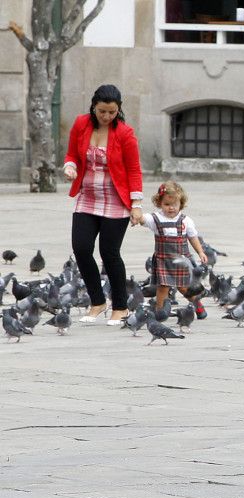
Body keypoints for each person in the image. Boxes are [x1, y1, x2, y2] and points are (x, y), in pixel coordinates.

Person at [63, 84, 144, 326]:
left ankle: (120, 306)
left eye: (112, 112)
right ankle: (97, 301)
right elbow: (71, 155)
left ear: (118, 110)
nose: (107, 117)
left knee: (109, 253)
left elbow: (133, 169)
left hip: (116, 199)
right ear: (93, 107)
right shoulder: (81, 124)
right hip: (87, 196)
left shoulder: (125, 134)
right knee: (81, 248)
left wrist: (136, 204)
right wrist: (70, 167)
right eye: (102, 112)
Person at [141, 182, 208, 313]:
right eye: (166, 204)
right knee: (162, 287)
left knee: (184, 288)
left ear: (181, 204)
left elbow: (193, 237)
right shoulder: (155, 218)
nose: (171, 208)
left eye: (174, 205)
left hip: (181, 261)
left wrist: (200, 252)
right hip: (163, 260)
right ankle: (160, 312)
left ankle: (197, 304)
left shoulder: (185, 220)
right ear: (159, 203)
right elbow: (142, 218)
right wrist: (136, 215)